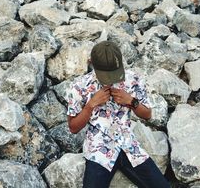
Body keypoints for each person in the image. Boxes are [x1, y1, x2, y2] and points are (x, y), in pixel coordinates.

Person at [67, 41, 170, 188]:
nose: (111, 80)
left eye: (114, 74)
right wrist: (90, 105)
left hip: (129, 145)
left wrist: (131, 101)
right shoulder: (79, 87)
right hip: (99, 149)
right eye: (105, 76)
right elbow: (73, 127)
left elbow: (147, 115)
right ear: (92, 64)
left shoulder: (133, 79)